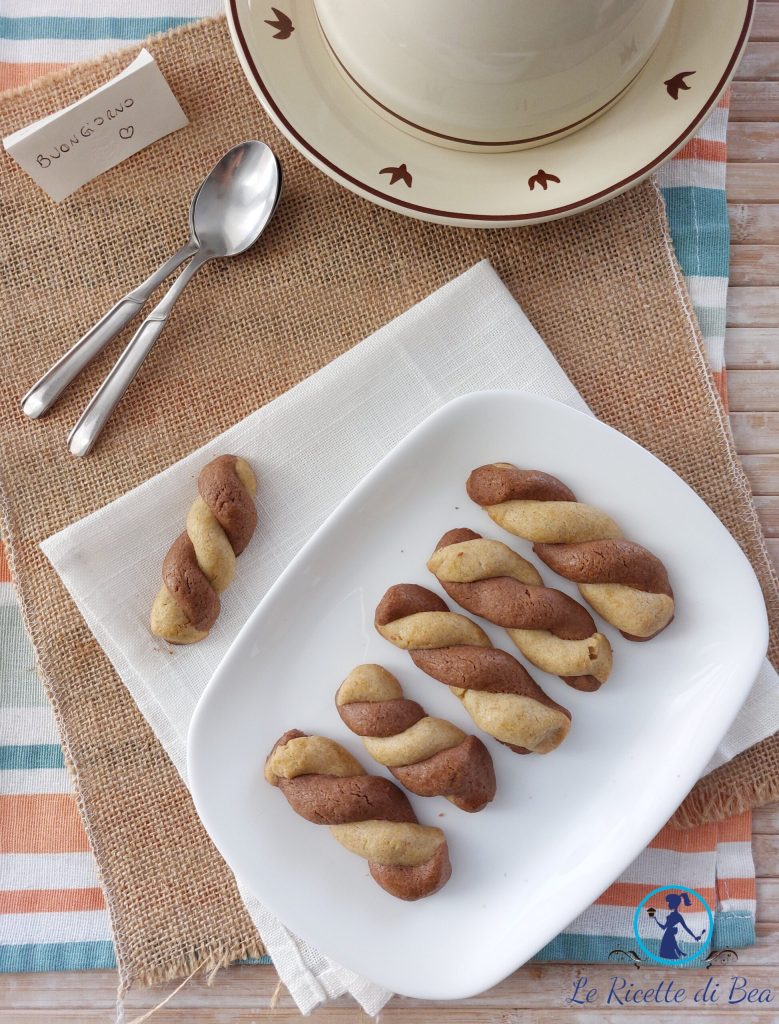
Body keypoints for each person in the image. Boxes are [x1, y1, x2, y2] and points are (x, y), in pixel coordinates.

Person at [652, 892, 703, 959]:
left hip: (668, 935)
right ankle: (681, 954)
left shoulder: (677, 916)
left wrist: (694, 936)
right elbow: (664, 927)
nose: (668, 904)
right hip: (668, 935)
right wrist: (656, 920)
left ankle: (680, 954)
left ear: (673, 903)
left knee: (670, 952)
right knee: (672, 950)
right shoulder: (674, 915)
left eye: (669, 902)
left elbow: (686, 928)